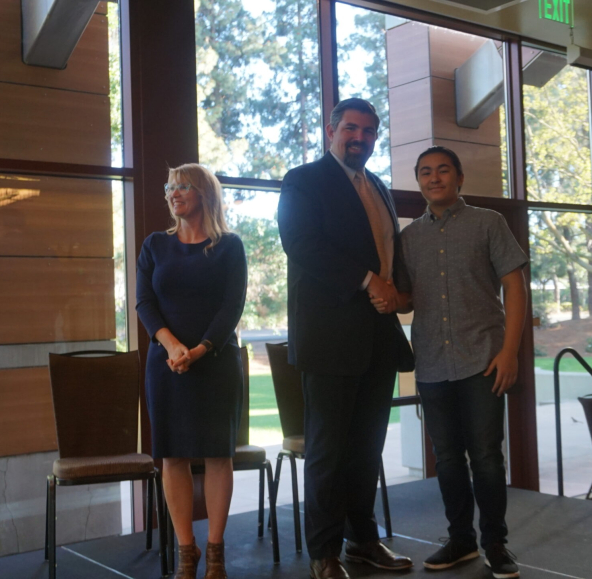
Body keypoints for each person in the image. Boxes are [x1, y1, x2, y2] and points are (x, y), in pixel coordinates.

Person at [278, 98, 416, 579]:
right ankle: (324, 554)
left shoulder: (377, 186)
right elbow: (302, 244)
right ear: (331, 130)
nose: (361, 138)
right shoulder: (304, 180)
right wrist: (367, 280)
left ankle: (363, 542)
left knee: (366, 450)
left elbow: (389, 252)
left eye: (370, 131)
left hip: (379, 337)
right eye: (352, 129)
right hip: (330, 341)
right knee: (328, 452)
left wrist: (397, 291)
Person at [376, 146, 526, 578]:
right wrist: (384, 296)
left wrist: (509, 351)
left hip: (483, 359)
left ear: (458, 178)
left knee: (485, 456)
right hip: (433, 363)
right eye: (425, 172)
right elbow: (406, 299)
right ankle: (459, 539)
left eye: (442, 170)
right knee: (445, 458)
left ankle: (495, 542)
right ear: (419, 181)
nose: (433, 178)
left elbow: (515, 288)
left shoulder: (488, 223)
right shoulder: (409, 238)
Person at [136, 164, 247, 579]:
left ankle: (215, 552)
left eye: (182, 186)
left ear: (204, 193)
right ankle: (188, 552)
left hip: (216, 362)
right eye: (169, 186)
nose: (172, 193)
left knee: (219, 455)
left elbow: (231, 306)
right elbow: (144, 303)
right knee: (173, 456)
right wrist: (173, 346)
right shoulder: (154, 245)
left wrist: (199, 349)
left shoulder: (229, 246)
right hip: (166, 364)